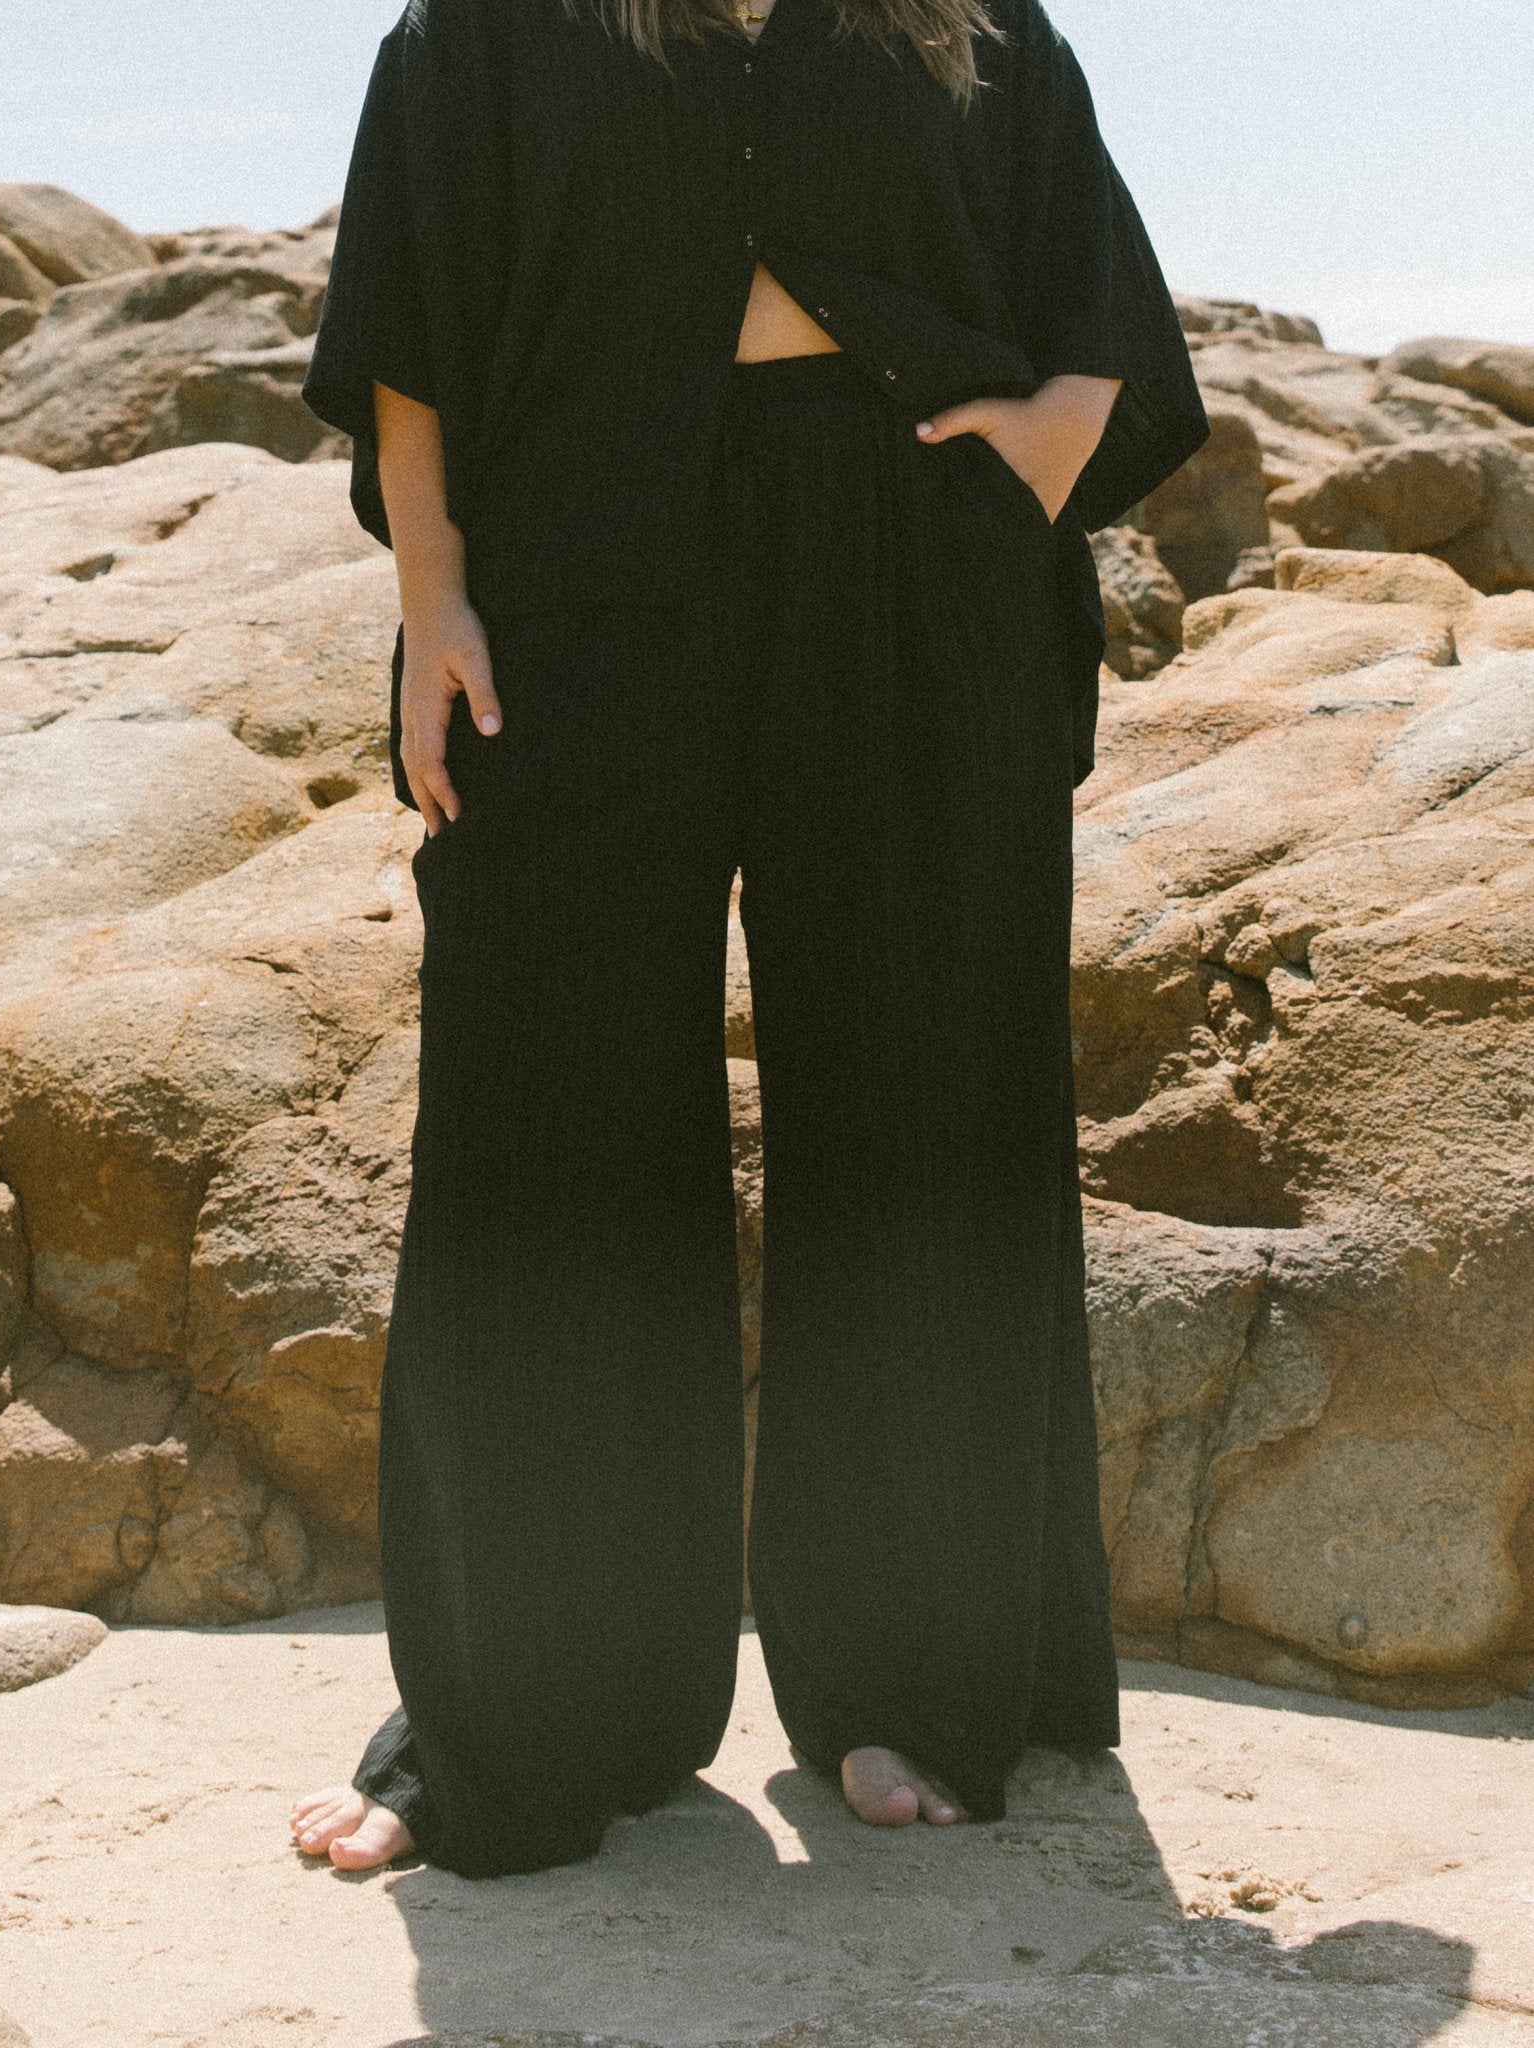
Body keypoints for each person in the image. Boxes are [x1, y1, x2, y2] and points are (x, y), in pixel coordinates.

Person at [288, 0, 1208, 1881]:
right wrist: (433, 596)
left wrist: (1041, 450)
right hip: (574, 563)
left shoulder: (959, 19)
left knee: (922, 1102)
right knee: (544, 1116)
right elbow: (413, 314)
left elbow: (1091, 279)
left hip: (907, 551)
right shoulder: (489, 27)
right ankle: (527, 1715)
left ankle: (915, 1681)